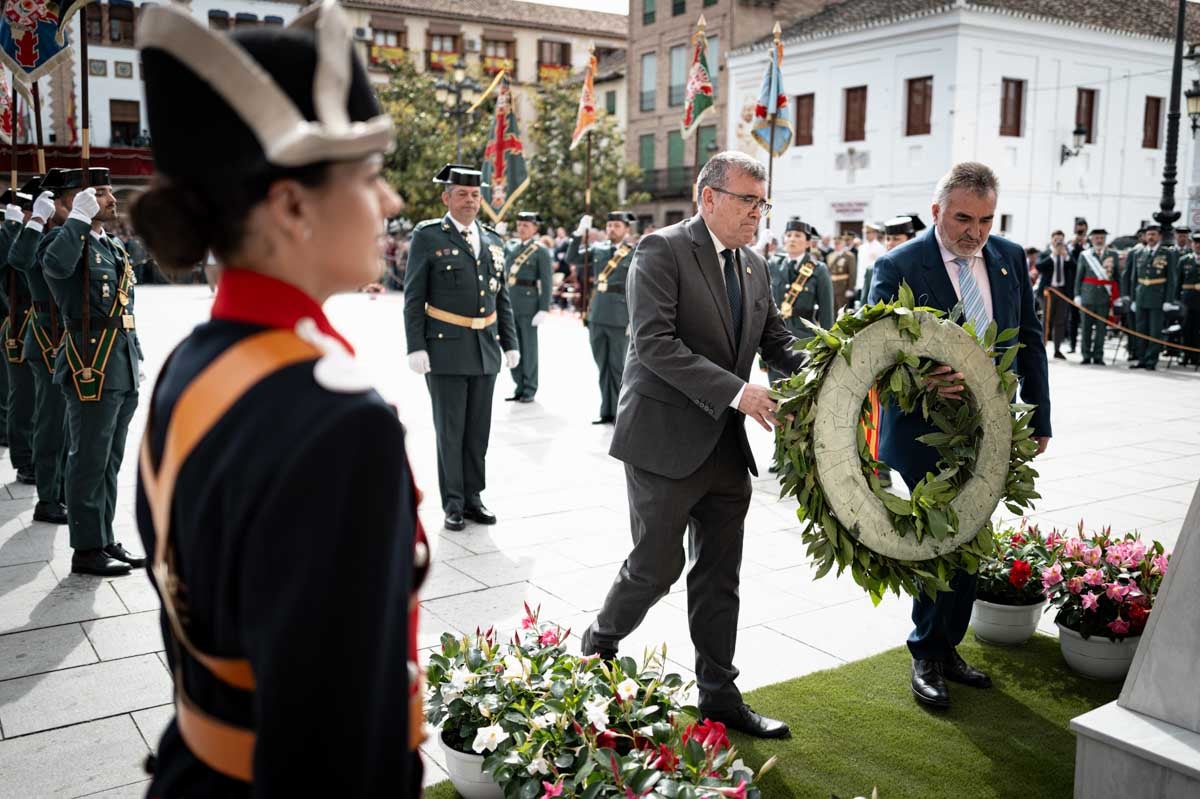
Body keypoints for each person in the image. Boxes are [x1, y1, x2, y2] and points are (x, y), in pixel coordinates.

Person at [132, 1, 423, 792]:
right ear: (291, 206)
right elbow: (335, 747)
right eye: (368, 177)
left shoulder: (191, 364)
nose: (390, 202)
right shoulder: (337, 424)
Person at [582, 151, 808, 739]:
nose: (759, 213)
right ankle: (597, 647)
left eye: (763, 202)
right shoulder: (661, 250)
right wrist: (740, 393)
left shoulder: (756, 266)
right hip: (664, 442)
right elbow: (654, 343)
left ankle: (719, 694)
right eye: (748, 201)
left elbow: (777, 341)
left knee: (719, 575)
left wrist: (837, 367)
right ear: (709, 198)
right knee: (657, 566)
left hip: (726, 451)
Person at [868, 161, 1050, 709]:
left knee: (973, 539)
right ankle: (925, 651)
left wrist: (1038, 418)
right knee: (937, 541)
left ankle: (949, 646)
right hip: (923, 434)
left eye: (986, 220)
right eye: (963, 219)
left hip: (991, 430)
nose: (975, 232)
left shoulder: (1011, 258)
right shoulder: (897, 264)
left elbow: (1032, 342)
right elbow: (874, 351)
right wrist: (923, 379)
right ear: (937, 211)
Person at [39, 167, 144, 576]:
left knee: (109, 460)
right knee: (88, 459)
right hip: (90, 366)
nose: (112, 199)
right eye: (101, 193)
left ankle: (103, 537)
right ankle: (86, 549)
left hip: (120, 363)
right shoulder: (63, 241)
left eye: (109, 192)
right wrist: (78, 219)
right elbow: (55, 268)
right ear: (76, 201)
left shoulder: (111, 246)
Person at [404, 164, 519, 531]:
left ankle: (473, 498)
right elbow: (413, 296)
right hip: (446, 349)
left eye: (474, 195)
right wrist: (415, 346)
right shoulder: (428, 236)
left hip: (485, 349)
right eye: (462, 195)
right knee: (450, 430)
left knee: (477, 432)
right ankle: (452, 502)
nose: (469, 201)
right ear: (446, 198)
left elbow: (502, 298)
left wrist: (510, 342)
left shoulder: (493, 239)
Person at [7, 173, 70, 523]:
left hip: (76, 338)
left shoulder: (69, 234)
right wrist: (37, 220)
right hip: (47, 337)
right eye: (62, 202)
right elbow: (17, 259)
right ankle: (48, 495)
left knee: (68, 425)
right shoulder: (36, 235)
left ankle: (61, 488)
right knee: (49, 420)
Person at [567, 210, 636, 424]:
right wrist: (579, 233)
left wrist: (633, 320)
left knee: (618, 367)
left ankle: (620, 412)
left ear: (626, 229)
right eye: (609, 226)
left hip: (619, 317)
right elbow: (572, 258)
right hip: (597, 314)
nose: (611, 229)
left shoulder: (634, 252)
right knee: (602, 365)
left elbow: (638, 287)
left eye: (616, 226)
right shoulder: (597, 249)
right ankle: (606, 411)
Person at [0, 180, 37, 485]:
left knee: (43, 400)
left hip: (43, 325)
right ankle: (24, 458)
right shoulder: (10, 235)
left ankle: (38, 453)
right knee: (22, 396)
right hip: (17, 321)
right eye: (29, 210)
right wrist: (10, 229)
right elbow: (11, 261)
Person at [767, 217, 833, 387]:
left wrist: (828, 349)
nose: (792, 239)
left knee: (802, 392)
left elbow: (827, 312)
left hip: (805, 340)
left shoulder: (818, 269)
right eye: (788, 235)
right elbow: (764, 309)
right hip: (776, 342)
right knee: (776, 393)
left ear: (808, 243)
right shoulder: (773, 265)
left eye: (797, 235)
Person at [503, 211, 553, 402]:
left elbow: (547, 281)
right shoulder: (512, 247)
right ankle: (519, 385)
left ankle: (530, 388)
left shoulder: (540, 250)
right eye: (520, 224)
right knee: (512, 346)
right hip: (510, 302)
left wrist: (543, 308)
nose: (522, 228)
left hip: (529, 303)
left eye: (526, 225)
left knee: (528, 348)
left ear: (534, 228)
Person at [1124, 224, 1179, 371]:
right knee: (1140, 330)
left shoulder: (1167, 253)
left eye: (1153, 234)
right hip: (1141, 295)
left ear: (1159, 236)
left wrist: (1168, 300)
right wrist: (1133, 298)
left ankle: (1151, 361)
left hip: (1157, 297)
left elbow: (1171, 278)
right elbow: (1134, 277)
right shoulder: (1139, 253)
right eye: (1148, 235)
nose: (1150, 237)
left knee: (1154, 331)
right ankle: (1141, 359)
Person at [1073, 228, 1120, 366]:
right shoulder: (1085, 255)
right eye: (1097, 238)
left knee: (1101, 329)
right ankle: (1086, 355)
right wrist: (1077, 295)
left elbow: (1117, 277)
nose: (1099, 240)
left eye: (1102, 238)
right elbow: (1079, 277)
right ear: (1092, 239)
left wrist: (1118, 296)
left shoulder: (1113, 254)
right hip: (1087, 296)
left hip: (1105, 297)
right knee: (1086, 328)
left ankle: (1098, 355)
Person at [1037, 231, 1076, 359]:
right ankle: (1041, 347)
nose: (1058, 242)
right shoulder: (1046, 253)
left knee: (1060, 321)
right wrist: (1053, 256)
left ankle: (1057, 349)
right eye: (1056, 240)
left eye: (1061, 240)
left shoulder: (1067, 254)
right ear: (1052, 240)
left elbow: (1075, 267)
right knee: (1046, 320)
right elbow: (1039, 267)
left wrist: (1067, 257)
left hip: (1062, 292)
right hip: (1047, 292)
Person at [1181, 232, 1200, 366]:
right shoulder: (1184, 260)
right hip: (1187, 299)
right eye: (1195, 242)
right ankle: (1186, 355)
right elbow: (1177, 281)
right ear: (1192, 244)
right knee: (1186, 328)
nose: (1198, 245)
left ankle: (1197, 356)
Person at [827, 233, 857, 312]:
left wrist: (850, 288)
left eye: (838, 243)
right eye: (835, 243)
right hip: (832, 286)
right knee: (832, 310)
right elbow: (828, 272)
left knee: (842, 310)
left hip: (843, 287)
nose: (836, 245)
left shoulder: (849, 256)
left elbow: (852, 273)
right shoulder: (830, 255)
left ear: (843, 243)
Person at [856, 221, 886, 302]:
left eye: (869, 232)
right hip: (861, 281)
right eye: (866, 233)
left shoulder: (880, 247)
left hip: (872, 281)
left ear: (875, 233)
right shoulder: (862, 247)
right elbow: (860, 266)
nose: (867, 235)